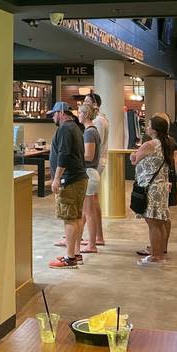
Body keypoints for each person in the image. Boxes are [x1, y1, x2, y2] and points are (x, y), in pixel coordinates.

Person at [130, 113, 177, 266]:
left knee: (152, 222)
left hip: (150, 188)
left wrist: (133, 156)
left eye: (149, 124)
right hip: (162, 187)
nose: (147, 127)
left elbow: (135, 160)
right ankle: (160, 252)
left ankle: (155, 256)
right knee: (159, 221)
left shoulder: (149, 145)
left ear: (155, 129)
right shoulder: (167, 143)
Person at [45, 102, 89, 268]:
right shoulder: (76, 128)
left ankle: (70, 257)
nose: (53, 118)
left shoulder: (64, 128)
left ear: (61, 112)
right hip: (79, 178)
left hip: (70, 179)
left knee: (69, 218)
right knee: (76, 216)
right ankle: (75, 254)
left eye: (54, 114)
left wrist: (56, 178)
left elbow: (64, 154)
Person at [76, 103, 104, 253]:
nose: (78, 115)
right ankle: (89, 241)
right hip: (91, 173)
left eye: (80, 113)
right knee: (88, 211)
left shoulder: (89, 132)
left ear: (86, 115)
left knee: (88, 211)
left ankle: (91, 244)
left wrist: (75, 156)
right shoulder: (91, 131)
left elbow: (89, 155)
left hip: (89, 172)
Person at [84, 92, 109, 246]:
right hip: (98, 162)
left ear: (94, 105)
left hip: (95, 163)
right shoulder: (101, 119)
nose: (83, 105)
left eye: (87, 102)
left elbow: (94, 144)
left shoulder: (98, 122)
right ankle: (97, 236)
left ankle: (89, 239)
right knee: (93, 199)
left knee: (89, 201)